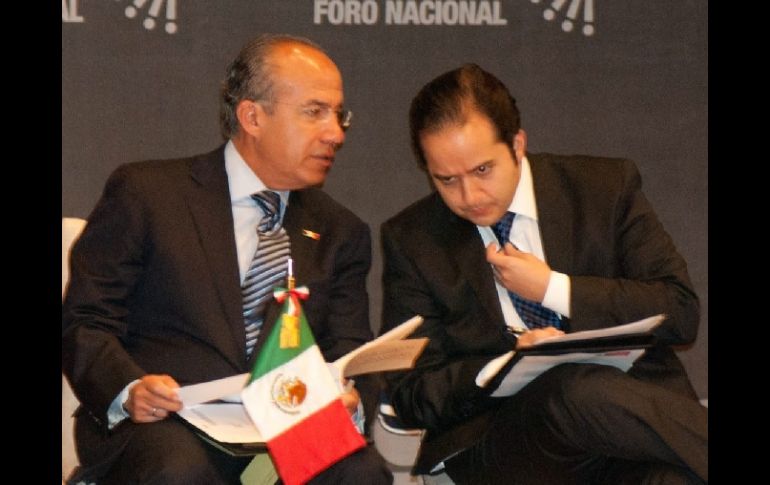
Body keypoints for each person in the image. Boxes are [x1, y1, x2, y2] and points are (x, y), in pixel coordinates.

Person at [62, 34, 392, 484]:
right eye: (314, 112)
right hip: (168, 424)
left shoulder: (340, 231)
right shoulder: (149, 194)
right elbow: (86, 320)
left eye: (338, 115)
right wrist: (130, 388)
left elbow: (348, 351)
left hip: (287, 427)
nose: (335, 132)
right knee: (179, 470)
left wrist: (350, 398)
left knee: (361, 473)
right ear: (252, 116)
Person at [379, 63, 707, 484]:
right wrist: (506, 366)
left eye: (482, 170)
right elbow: (410, 393)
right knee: (570, 388)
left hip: (627, 431)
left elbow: (679, 311)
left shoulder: (603, 189)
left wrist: (555, 289)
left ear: (517, 144)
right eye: (446, 180)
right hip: (507, 442)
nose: (469, 195)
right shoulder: (414, 240)